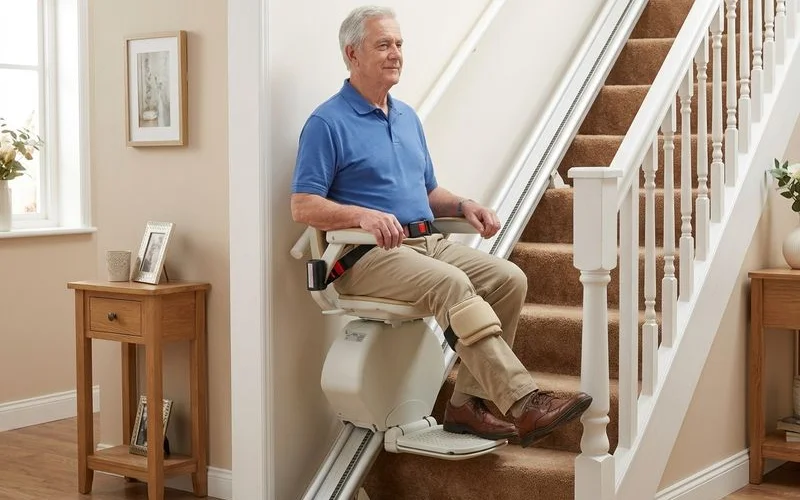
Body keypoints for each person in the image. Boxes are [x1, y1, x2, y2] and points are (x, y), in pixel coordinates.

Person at [290, 5, 592, 448]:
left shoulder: (406, 117)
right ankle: (523, 402)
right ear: (352, 53)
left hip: (425, 242)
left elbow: (427, 190)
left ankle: (466, 406)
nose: (395, 53)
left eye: (398, 44)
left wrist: (464, 204)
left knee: (508, 278)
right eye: (383, 45)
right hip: (365, 256)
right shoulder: (327, 122)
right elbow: (303, 205)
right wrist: (361, 215)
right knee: (453, 285)